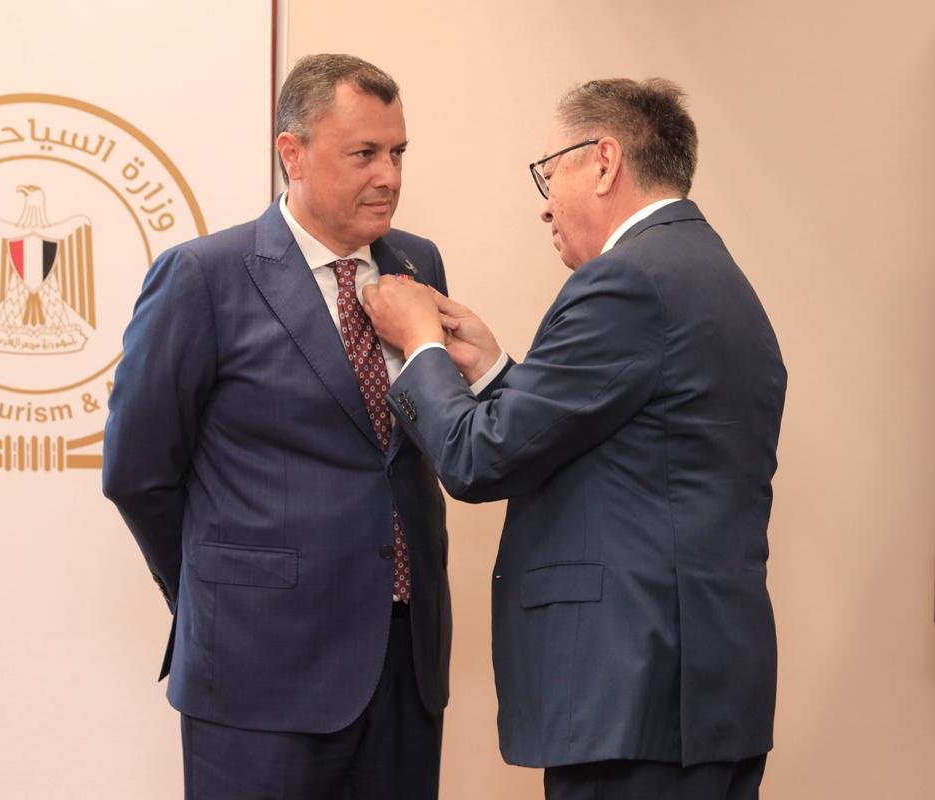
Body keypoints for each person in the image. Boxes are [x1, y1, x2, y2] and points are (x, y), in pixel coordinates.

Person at [363, 78, 787, 800]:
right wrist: (491, 369)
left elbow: (476, 460)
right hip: (701, 694)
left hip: (634, 695)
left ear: (604, 161)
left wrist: (420, 343)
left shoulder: (627, 282)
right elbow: (611, 440)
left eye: (548, 172)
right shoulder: (707, 271)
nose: (544, 203)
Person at [103, 54, 452, 800]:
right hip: (257, 668)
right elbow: (137, 471)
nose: (388, 176)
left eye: (398, 153)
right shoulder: (203, 276)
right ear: (291, 152)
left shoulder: (417, 264)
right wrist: (222, 591)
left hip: (403, 665)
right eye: (364, 153)